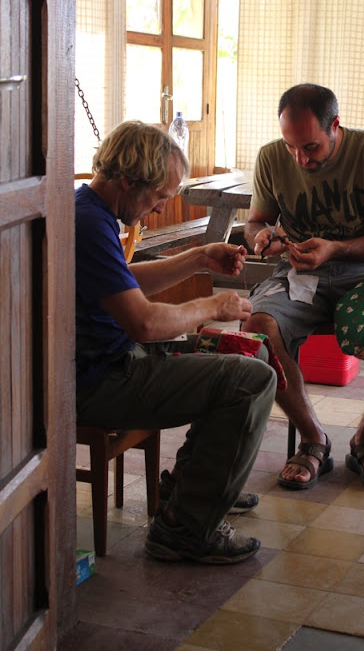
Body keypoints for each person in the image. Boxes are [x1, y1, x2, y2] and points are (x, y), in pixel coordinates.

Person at [75, 121, 277, 565]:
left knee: (250, 352)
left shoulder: (90, 210)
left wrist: (198, 257)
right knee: (252, 381)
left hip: (116, 361)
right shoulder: (88, 223)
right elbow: (145, 324)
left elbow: (122, 281)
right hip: (99, 381)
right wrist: (212, 306)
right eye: (159, 196)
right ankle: (185, 530)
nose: (160, 207)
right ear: (128, 181)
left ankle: (190, 490)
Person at [241, 84, 364, 492]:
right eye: (291, 146)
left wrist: (335, 248)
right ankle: (313, 438)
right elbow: (256, 221)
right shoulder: (271, 157)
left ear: (335, 126)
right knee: (257, 327)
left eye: (310, 147)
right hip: (299, 274)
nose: (300, 159)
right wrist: (260, 237)